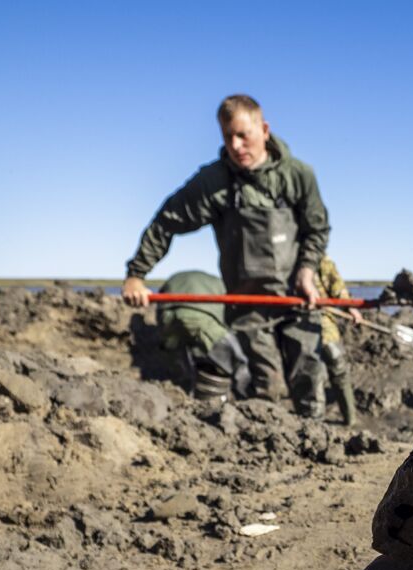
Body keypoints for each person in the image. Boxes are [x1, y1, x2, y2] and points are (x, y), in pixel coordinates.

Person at [121, 94, 332, 417]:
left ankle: (315, 439)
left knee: (309, 378)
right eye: (227, 137)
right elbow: (166, 222)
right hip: (248, 305)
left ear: (264, 130)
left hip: (296, 299)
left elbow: (316, 230)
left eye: (243, 135)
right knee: (265, 387)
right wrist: (137, 274)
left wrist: (307, 271)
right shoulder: (214, 182)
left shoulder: (298, 175)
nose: (235, 145)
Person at [155, 270, 252, 401]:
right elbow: (229, 315)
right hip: (200, 317)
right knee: (238, 360)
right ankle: (246, 399)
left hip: (168, 317)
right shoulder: (221, 284)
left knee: (180, 359)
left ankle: (178, 394)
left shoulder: (176, 278)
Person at [313, 256, 361, 425]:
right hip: (296, 321)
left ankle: (350, 419)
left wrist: (350, 306)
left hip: (322, 320)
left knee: (337, 366)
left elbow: (335, 283)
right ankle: (314, 423)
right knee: (312, 373)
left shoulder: (317, 257)